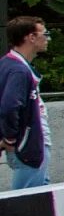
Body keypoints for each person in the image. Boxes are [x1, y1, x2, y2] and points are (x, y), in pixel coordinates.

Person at [1, 17, 53, 190]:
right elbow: (9, 107)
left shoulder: (7, 64)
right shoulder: (18, 70)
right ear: (31, 37)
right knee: (25, 201)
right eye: (44, 34)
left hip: (28, 143)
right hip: (29, 146)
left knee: (41, 195)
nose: (47, 39)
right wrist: (10, 138)